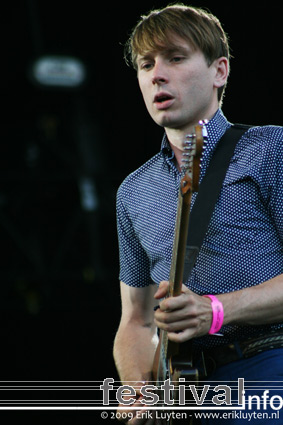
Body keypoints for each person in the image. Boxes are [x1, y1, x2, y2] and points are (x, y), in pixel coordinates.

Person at [113, 4, 283, 424]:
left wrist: (217, 310)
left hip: (268, 369)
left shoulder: (269, 150)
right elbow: (135, 321)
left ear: (219, 71)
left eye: (175, 57)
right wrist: (137, 390)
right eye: (146, 64)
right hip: (190, 395)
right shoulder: (134, 191)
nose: (157, 74)